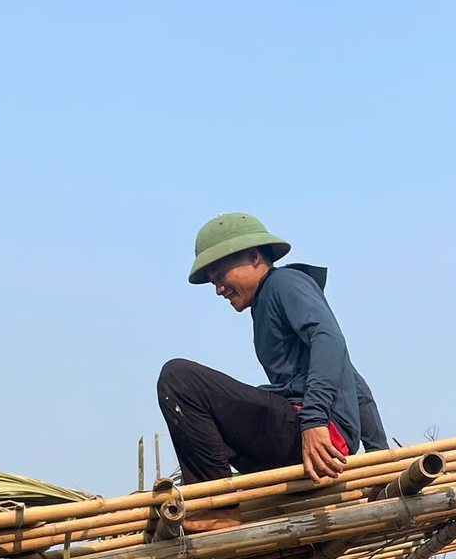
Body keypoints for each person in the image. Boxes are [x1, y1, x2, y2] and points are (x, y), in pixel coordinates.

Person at [161, 213, 390, 531]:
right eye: (213, 282)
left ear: (254, 257)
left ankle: (219, 508)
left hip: (315, 434)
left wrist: (314, 420)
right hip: (310, 433)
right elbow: (351, 379)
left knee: (179, 379)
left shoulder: (285, 283)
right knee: (202, 422)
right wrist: (380, 455)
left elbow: (329, 339)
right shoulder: (264, 305)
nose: (219, 289)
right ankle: (207, 502)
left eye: (221, 276)